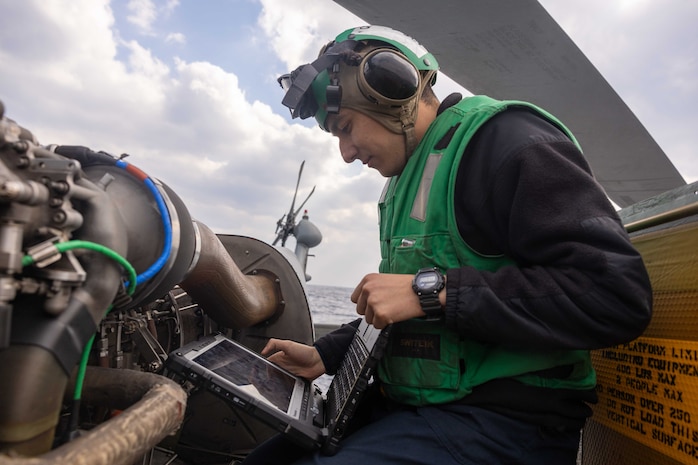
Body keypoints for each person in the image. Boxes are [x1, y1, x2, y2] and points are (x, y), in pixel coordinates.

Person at [242, 25, 652, 464]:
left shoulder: (505, 140)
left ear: (389, 89)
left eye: (345, 127)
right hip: (419, 408)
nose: (345, 152)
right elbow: (411, 312)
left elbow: (615, 295)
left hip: (507, 422)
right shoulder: (403, 181)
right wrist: (326, 353)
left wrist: (432, 291)